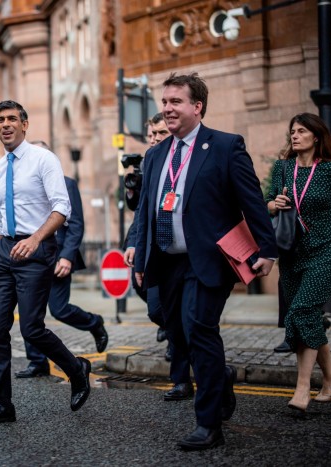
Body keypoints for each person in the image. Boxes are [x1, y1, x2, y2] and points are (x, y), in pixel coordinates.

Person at [128, 73, 277, 450]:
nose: (167, 108)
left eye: (175, 101)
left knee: (199, 329)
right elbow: (146, 209)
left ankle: (208, 424)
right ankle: (220, 375)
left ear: (197, 106)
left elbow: (251, 201)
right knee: (177, 333)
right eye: (164, 102)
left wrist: (267, 249)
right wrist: (140, 254)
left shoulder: (225, 147)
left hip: (206, 260)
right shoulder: (156, 154)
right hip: (166, 260)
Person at [0, 100, 91, 426]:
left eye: (12, 119)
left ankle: (77, 370)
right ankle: (2, 404)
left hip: (36, 250)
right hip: (5, 252)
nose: (5, 124)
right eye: (0, 120)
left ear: (24, 125)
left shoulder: (43, 160)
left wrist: (35, 239)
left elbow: (61, 207)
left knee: (32, 329)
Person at [265, 112, 331, 412]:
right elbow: (265, 203)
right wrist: (273, 204)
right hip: (291, 253)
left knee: (301, 311)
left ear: (316, 136)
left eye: (302, 131)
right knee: (308, 316)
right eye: (292, 131)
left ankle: (302, 388)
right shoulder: (282, 168)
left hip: (325, 251)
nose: (295, 135)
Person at [14, 141, 108, 379]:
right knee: (29, 312)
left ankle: (94, 323)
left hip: (57, 258)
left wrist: (66, 257)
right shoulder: (22, 185)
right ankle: (37, 362)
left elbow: (75, 224)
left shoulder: (66, 184)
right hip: (31, 258)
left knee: (59, 309)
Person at [125, 113, 194, 403]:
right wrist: (134, 246)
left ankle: (191, 377)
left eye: (160, 134)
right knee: (160, 313)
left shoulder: (190, 157)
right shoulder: (150, 162)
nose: (154, 140)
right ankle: (183, 371)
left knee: (193, 321)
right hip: (160, 253)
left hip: (193, 253)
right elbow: (139, 211)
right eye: (152, 134)